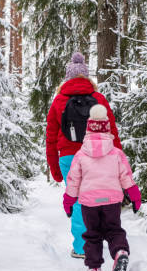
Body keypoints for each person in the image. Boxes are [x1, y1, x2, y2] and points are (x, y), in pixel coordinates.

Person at [45, 52, 122, 258]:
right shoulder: (98, 99)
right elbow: (112, 132)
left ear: (68, 78)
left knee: (78, 200)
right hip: (97, 156)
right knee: (100, 198)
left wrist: (54, 169)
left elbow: (51, 139)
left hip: (68, 157)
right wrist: (118, 161)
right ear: (87, 78)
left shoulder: (59, 101)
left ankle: (82, 247)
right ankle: (102, 240)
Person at [62, 104, 142, 271]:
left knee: (92, 234)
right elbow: (126, 177)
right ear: (107, 131)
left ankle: (94, 267)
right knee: (114, 230)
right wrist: (135, 197)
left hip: (89, 203)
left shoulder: (80, 155)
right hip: (112, 201)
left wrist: (68, 203)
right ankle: (120, 251)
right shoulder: (116, 153)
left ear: (88, 131)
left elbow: (73, 181)